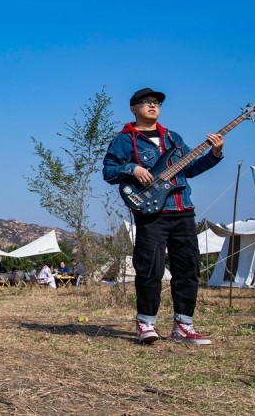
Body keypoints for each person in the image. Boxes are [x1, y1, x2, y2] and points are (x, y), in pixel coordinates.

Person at [103, 87, 223, 346]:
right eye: (146, 102)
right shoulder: (125, 139)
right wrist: (132, 168)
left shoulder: (174, 138)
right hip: (151, 213)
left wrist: (214, 155)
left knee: (188, 269)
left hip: (183, 211)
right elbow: (109, 171)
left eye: (156, 102)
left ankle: (183, 325)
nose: (152, 105)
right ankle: (145, 323)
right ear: (133, 108)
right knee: (150, 269)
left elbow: (189, 169)